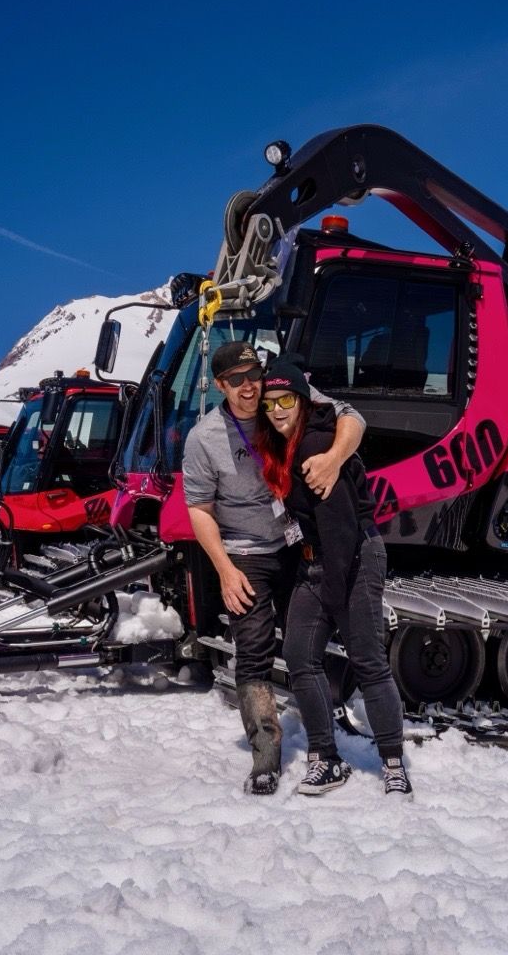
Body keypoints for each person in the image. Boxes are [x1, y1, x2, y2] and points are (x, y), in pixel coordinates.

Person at [182, 341, 365, 796]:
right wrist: (224, 570)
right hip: (246, 554)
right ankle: (265, 756)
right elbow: (199, 509)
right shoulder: (204, 438)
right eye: (237, 380)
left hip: (298, 544)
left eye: (253, 374)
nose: (249, 387)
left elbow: (352, 418)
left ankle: (328, 737)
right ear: (220, 385)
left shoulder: (279, 400)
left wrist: (334, 458)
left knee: (311, 644)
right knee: (255, 649)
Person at [256, 357, 412, 798]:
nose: (278, 410)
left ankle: (394, 762)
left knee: (366, 659)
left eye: (286, 399)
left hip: (352, 559)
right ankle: (325, 758)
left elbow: (341, 530)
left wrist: (333, 593)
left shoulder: (315, 449)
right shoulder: (286, 446)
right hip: (316, 560)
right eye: (270, 403)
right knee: (300, 655)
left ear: (304, 401)